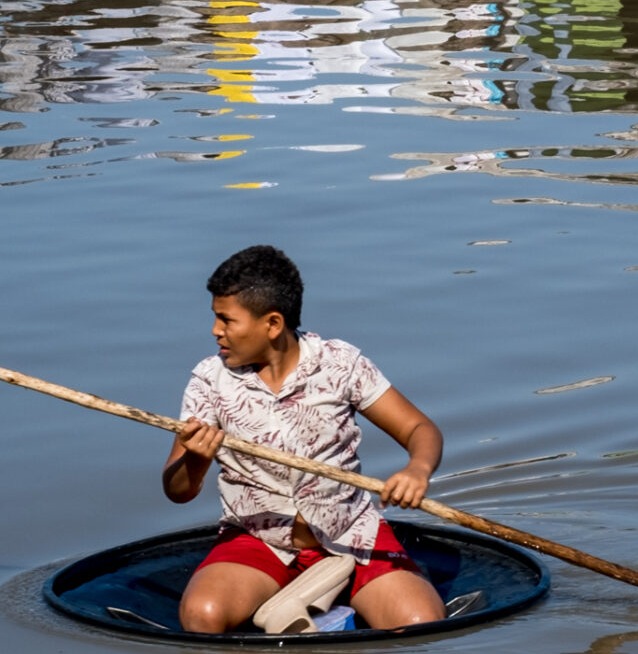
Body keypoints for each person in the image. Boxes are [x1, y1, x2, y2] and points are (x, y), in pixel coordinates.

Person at [164, 245, 447, 633]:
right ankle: (306, 593)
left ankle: (334, 581)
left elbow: (420, 429)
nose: (216, 331)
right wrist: (196, 458)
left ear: (273, 324)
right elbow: (177, 491)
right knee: (202, 616)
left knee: (420, 624)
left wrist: (417, 469)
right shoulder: (209, 382)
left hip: (347, 532)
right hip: (259, 538)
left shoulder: (339, 364)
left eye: (226, 320)